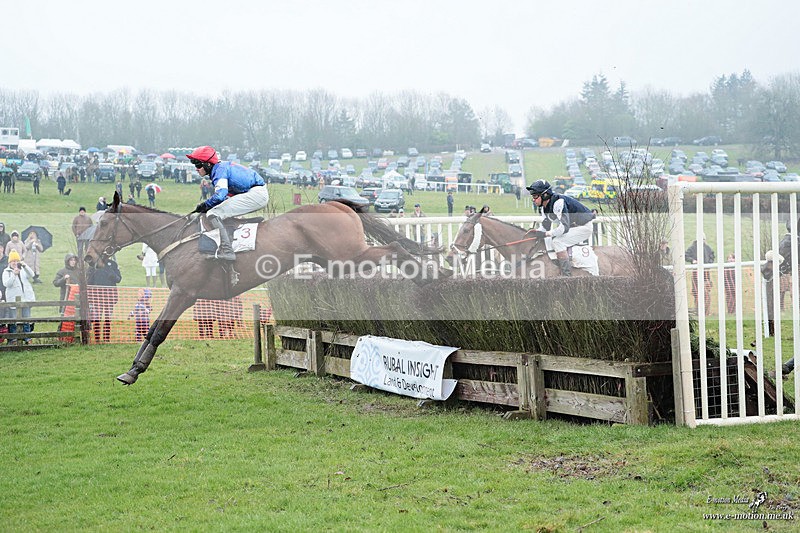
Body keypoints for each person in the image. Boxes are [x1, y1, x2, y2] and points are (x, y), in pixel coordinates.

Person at [188, 145, 268, 261]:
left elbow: (220, 195)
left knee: (213, 213)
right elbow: (224, 197)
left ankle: (227, 251)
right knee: (217, 210)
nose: (196, 168)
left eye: (198, 165)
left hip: (256, 194)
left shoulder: (219, 170)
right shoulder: (219, 168)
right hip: (253, 192)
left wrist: (205, 205)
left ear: (208, 164)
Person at [525, 179, 595, 276]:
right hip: (574, 226)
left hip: (584, 227)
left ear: (545, 195)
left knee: (557, 242)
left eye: (535, 196)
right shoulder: (544, 208)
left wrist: (546, 234)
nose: (533, 199)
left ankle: (567, 275)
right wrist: (536, 232)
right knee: (549, 239)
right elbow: (546, 226)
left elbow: (564, 228)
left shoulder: (558, 202)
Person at [2, 250, 35, 343]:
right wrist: (14, 274)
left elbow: (32, 275)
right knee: (14, 320)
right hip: (13, 300)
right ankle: (13, 339)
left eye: (17, 261)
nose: (15, 263)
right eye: (13, 261)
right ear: (9, 262)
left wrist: (25, 266)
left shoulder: (23, 270)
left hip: (26, 298)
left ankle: (27, 338)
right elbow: (6, 284)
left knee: (26, 319)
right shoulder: (6, 272)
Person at [87, 256, 122, 344]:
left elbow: (118, 279)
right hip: (96, 298)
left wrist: (112, 272)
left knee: (107, 318)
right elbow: (89, 282)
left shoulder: (113, 264)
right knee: (97, 319)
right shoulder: (93, 266)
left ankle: (106, 339)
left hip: (109, 298)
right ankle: (97, 339)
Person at [685, 235, 714, 315]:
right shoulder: (692, 248)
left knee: (707, 291)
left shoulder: (707, 248)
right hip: (696, 272)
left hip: (706, 271)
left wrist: (709, 263)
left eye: (703, 239)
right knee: (696, 292)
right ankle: (698, 311)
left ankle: (706, 311)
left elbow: (712, 256)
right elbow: (686, 256)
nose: (703, 241)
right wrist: (693, 260)